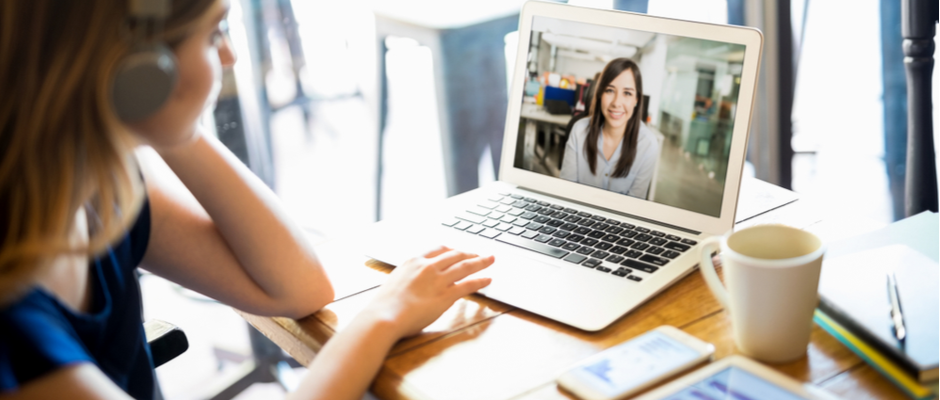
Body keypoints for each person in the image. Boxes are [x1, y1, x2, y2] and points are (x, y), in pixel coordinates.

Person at [0, 1, 494, 399]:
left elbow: (295, 287)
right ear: (141, 68)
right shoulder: (15, 322)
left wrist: (169, 119)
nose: (231, 56)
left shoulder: (101, 188)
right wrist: (383, 316)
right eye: (215, 33)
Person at [559, 58, 660, 199]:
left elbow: (634, 207)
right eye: (610, 90)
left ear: (636, 99)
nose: (617, 103)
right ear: (600, 94)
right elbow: (566, 192)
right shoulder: (579, 131)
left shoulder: (648, 145)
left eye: (627, 93)